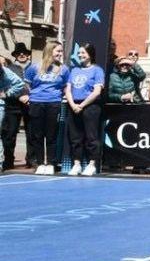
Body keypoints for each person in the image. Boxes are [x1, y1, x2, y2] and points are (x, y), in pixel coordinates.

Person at [25, 42, 68, 175]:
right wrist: (31, 96)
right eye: (58, 51)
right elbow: (27, 84)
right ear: (50, 51)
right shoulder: (34, 67)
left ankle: (50, 163)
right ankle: (39, 163)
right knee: (37, 135)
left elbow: (66, 86)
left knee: (51, 135)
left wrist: (63, 96)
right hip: (36, 103)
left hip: (54, 103)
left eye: (61, 51)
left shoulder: (64, 69)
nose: (60, 54)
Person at [65, 43, 105, 177]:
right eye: (79, 53)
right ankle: (76, 165)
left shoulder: (97, 70)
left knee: (91, 137)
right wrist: (73, 104)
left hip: (90, 107)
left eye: (83, 53)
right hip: (73, 106)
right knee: (75, 138)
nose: (81, 55)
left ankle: (92, 164)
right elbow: (68, 89)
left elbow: (97, 92)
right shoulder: (74, 70)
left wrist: (82, 105)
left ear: (90, 54)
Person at [2, 43, 32, 170]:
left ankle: (31, 160)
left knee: (32, 135)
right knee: (9, 135)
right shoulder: (9, 68)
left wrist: (31, 97)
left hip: (30, 105)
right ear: (14, 55)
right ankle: (8, 161)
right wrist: (19, 96)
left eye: (24, 53)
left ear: (28, 55)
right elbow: (7, 86)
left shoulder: (34, 67)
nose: (21, 55)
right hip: (12, 106)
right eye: (18, 53)